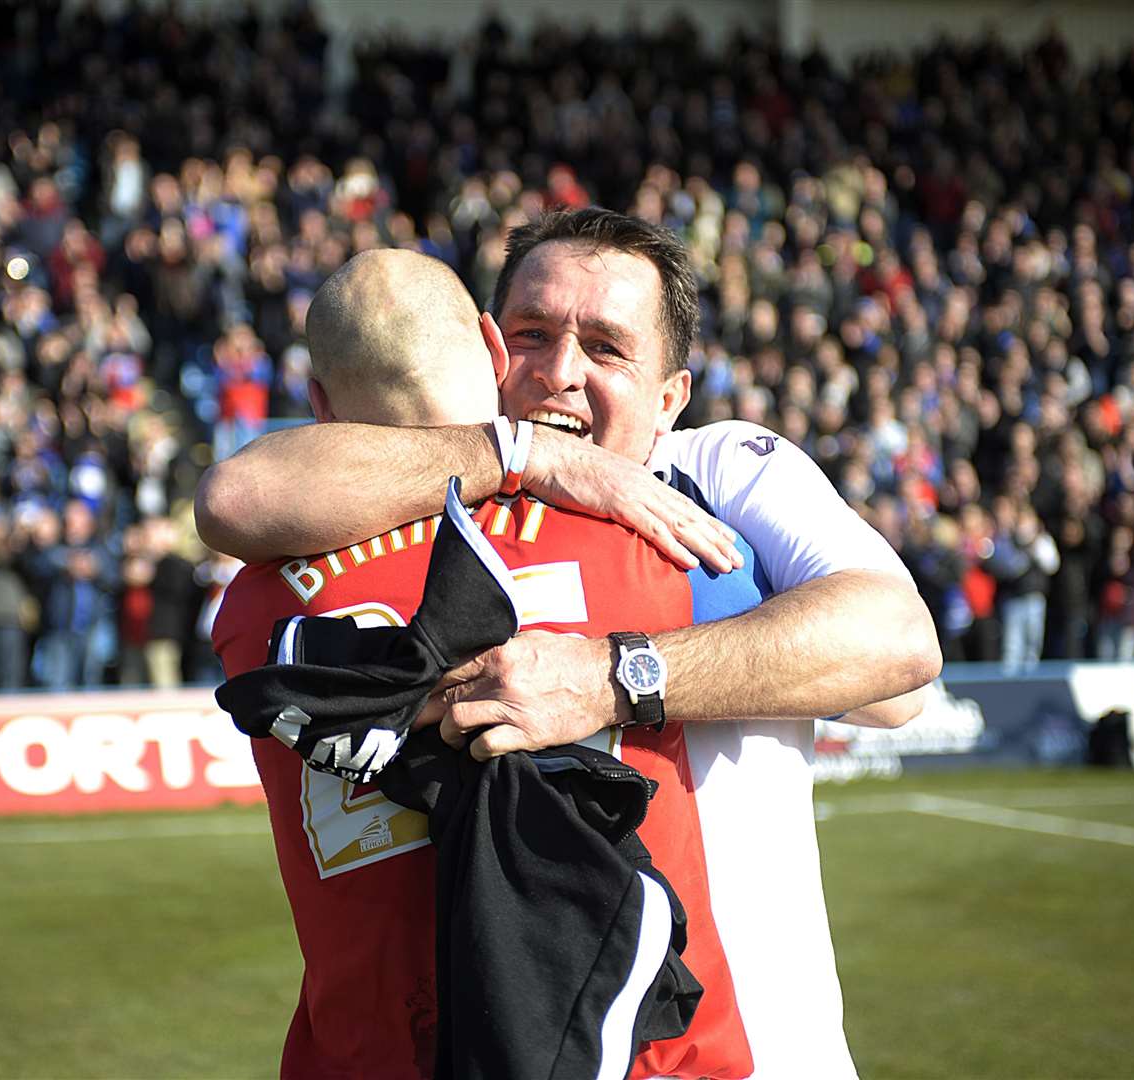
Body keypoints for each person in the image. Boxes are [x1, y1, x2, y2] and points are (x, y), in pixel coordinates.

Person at [198, 209, 942, 1077]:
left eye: (606, 348)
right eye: (534, 334)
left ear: (670, 398)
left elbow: (897, 655)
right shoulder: (430, 497)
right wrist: (524, 458)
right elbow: (232, 497)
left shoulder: (717, 476)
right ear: (487, 346)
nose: (559, 373)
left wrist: (611, 674)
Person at [212, 248, 753, 1078]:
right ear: (497, 356)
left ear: (318, 405)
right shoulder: (649, 539)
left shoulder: (257, 601)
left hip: (371, 1058)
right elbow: (883, 678)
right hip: (640, 1056)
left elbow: (234, 496)